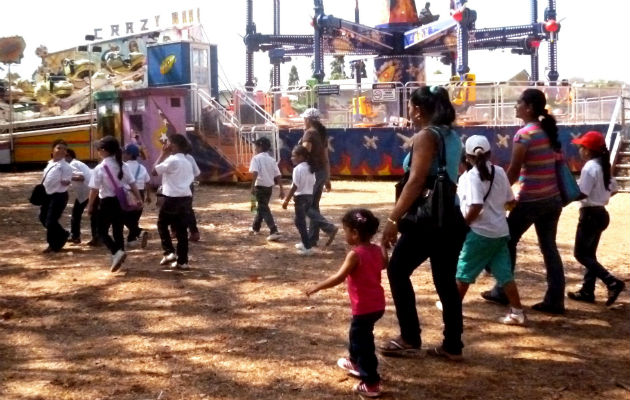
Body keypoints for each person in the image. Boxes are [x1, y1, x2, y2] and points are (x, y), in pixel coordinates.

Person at [380, 86, 466, 360]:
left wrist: (393, 218)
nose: (409, 111)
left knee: (397, 270)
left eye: (411, 106)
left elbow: (416, 180)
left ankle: (409, 337)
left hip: (426, 219)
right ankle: (452, 345)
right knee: (445, 281)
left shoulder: (426, 136)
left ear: (418, 109)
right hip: (450, 216)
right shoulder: (451, 136)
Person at [481, 88, 566, 315]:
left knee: (507, 241)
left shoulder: (524, 135)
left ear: (528, 107)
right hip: (553, 198)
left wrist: (498, 194)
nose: (515, 105)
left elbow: (514, 170)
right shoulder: (548, 131)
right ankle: (555, 299)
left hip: (530, 199)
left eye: (519, 102)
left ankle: (501, 289)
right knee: (549, 247)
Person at [306, 209, 385, 398]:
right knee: (356, 334)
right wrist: (384, 248)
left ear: (355, 233)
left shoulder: (355, 254)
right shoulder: (375, 249)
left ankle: (371, 383)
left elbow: (339, 277)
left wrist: (317, 287)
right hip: (377, 305)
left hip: (364, 308)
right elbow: (383, 265)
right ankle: (354, 362)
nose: (345, 234)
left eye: (346, 231)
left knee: (363, 343)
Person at [455, 135, 526, 325]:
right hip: (500, 232)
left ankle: (452, 307)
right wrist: (498, 212)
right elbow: (511, 202)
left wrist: (463, 226)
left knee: (464, 272)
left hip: (479, 232)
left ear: (466, 157)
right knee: (504, 274)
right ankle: (517, 312)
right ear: (489, 154)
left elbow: (476, 206)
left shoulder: (470, 177)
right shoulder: (500, 172)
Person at [568, 131, 625, 306]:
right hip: (600, 213)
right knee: (590, 254)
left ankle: (612, 281)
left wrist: (566, 195)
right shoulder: (602, 166)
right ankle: (587, 290)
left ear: (587, 150)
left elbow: (582, 193)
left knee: (580, 254)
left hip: (590, 214)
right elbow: (614, 189)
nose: (579, 150)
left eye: (581, 147)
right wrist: (600, 196)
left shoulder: (590, 167)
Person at [88, 136, 143, 272]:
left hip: (107, 202)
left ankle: (116, 252)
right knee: (118, 230)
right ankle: (118, 256)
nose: (98, 151)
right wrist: (138, 198)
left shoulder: (101, 167)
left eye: (99, 149)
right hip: (121, 201)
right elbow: (132, 183)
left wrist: (90, 205)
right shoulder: (123, 165)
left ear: (105, 150)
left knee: (101, 231)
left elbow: (94, 189)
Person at [282, 145, 338, 256]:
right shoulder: (310, 167)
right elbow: (313, 182)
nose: (291, 158)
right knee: (302, 219)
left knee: (301, 223)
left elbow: (294, 186)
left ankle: (307, 247)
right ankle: (307, 241)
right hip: (309, 196)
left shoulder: (297, 169)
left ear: (301, 156)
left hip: (300, 198)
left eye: (294, 156)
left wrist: (286, 200)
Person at [152, 134, 195, 270]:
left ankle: (169, 251)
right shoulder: (187, 162)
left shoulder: (172, 160)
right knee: (182, 230)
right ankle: (183, 261)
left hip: (172, 198)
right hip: (186, 198)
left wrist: (162, 154)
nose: (167, 145)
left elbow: (154, 171)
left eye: (169, 143)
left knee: (162, 224)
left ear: (174, 145)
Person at [301, 108, 335, 247]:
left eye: (304, 119)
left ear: (308, 120)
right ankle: (312, 239)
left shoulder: (309, 134)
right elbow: (326, 158)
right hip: (321, 173)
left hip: (311, 173)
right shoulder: (322, 134)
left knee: (304, 205)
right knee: (314, 205)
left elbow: (304, 156)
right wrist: (327, 178)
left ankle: (329, 228)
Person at [39, 139, 73, 253]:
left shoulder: (66, 166)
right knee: (43, 218)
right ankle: (63, 234)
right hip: (47, 195)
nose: (62, 151)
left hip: (59, 196)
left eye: (64, 149)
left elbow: (67, 180)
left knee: (50, 221)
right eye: (59, 148)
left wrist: (66, 181)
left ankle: (53, 245)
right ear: (53, 150)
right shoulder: (50, 164)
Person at [249, 136, 285, 241]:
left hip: (259, 186)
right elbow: (278, 175)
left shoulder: (256, 158)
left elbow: (255, 172)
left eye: (256, 146)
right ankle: (255, 227)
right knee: (262, 207)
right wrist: (281, 189)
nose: (255, 148)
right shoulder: (272, 160)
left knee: (263, 208)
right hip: (269, 188)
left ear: (260, 146)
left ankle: (274, 230)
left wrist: (252, 187)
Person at [65, 148, 98, 245]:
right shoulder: (76, 163)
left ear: (69, 156)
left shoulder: (72, 165)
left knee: (78, 214)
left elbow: (81, 177)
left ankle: (76, 236)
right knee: (91, 215)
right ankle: (93, 237)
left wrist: (66, 178)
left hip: (87, 191)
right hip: (88, 190)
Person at [122, 144, 151, 248]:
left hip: (127, 194)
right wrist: (148, 196)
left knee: (123, 217)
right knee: (134, 218)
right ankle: (131, 240)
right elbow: (148, 182)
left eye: (125, 153)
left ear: (129, 154)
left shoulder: (123, 166)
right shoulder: (142, 167)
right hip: (140, 193)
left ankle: (139, 232)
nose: (123, 154)